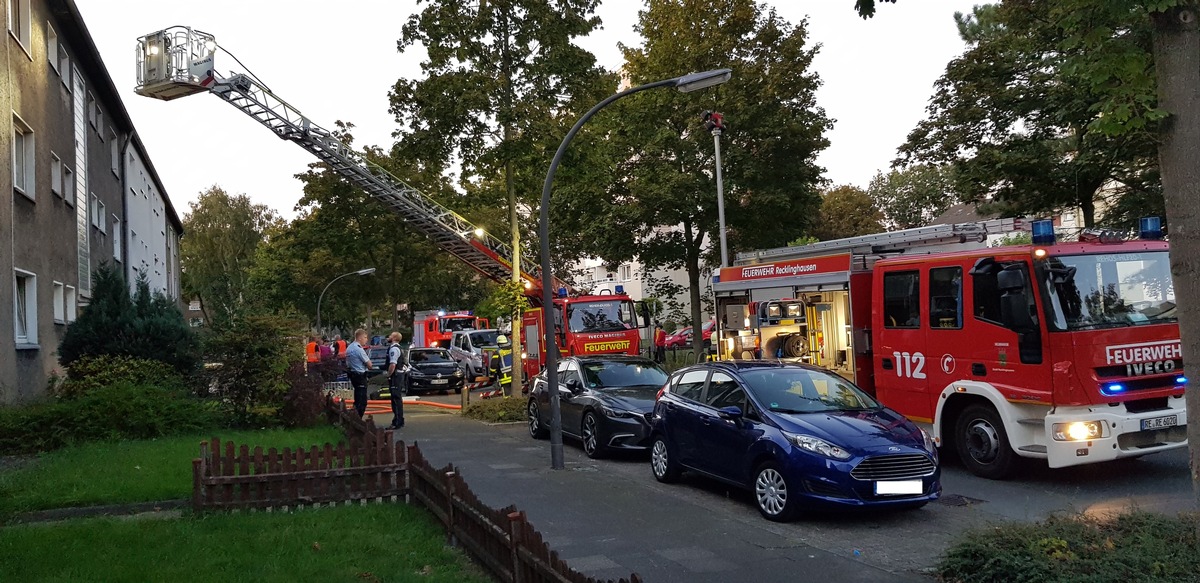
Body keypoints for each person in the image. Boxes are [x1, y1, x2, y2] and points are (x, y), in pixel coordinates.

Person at [344, 328, 374, 418]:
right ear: (360, 338)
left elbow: (348, 364)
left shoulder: (349, 348)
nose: (366, 339)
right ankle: (357, 420)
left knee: (357, 399)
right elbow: (370, 365)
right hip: (360, 375)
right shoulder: (359, 349)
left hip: (353, 374)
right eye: (365, 337)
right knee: (362, 401)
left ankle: (354, 418)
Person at [385, 332, 406, 430]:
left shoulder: (393, 349)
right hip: (398, 375)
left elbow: (392, 364)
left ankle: (397, 421)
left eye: (390, 335)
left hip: (395, 376)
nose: (388, 337)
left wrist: (388, 374)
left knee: (395, 399)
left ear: (394, 338)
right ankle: (399, 420)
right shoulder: (399, 348)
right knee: (397, 398)